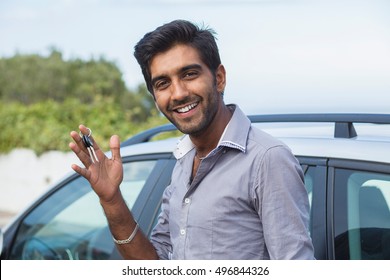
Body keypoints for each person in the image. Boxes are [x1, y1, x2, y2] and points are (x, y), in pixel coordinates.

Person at [69, 19, 315, 260]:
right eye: (163, 83)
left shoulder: (267, 159)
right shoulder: (184, 161)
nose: (178, 93)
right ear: (155, 98)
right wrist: (112, 201)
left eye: (189, 74)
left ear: (219, 78)